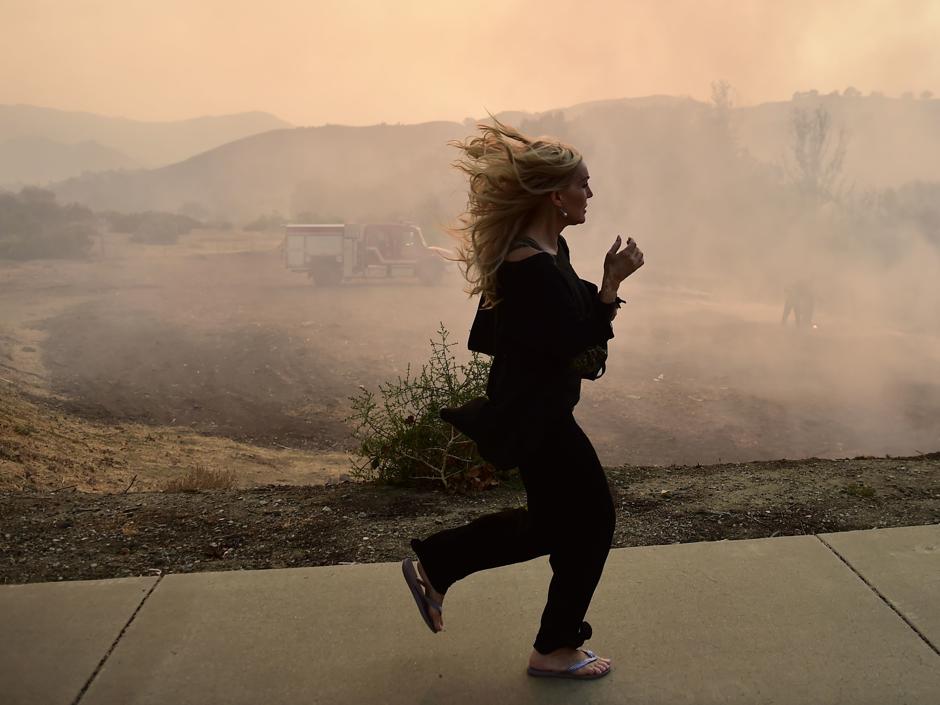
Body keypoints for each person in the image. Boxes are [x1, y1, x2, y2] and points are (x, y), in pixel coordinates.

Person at [401, 118, 644, 680]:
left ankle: (438, 564)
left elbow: (515, 336)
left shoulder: (542, 251)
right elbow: (583, 354)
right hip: (538, 418)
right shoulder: (531, 267)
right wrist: (609, 289)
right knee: (593, 520)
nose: (591, 193)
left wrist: (592, 301)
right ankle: (553, 646)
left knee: (555, 525)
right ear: (555, 194)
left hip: (535, 409)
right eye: (583, 183)